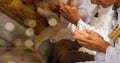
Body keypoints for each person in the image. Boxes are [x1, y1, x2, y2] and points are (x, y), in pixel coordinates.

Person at [53, 0, 119, 63]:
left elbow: (105, 40)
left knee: (67, 57)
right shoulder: (106, 8)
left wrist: (77, 21)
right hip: (101, 53)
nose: (93, 2)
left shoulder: (110, 10)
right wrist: (66, 13)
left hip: (101, 53)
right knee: (62, 44)